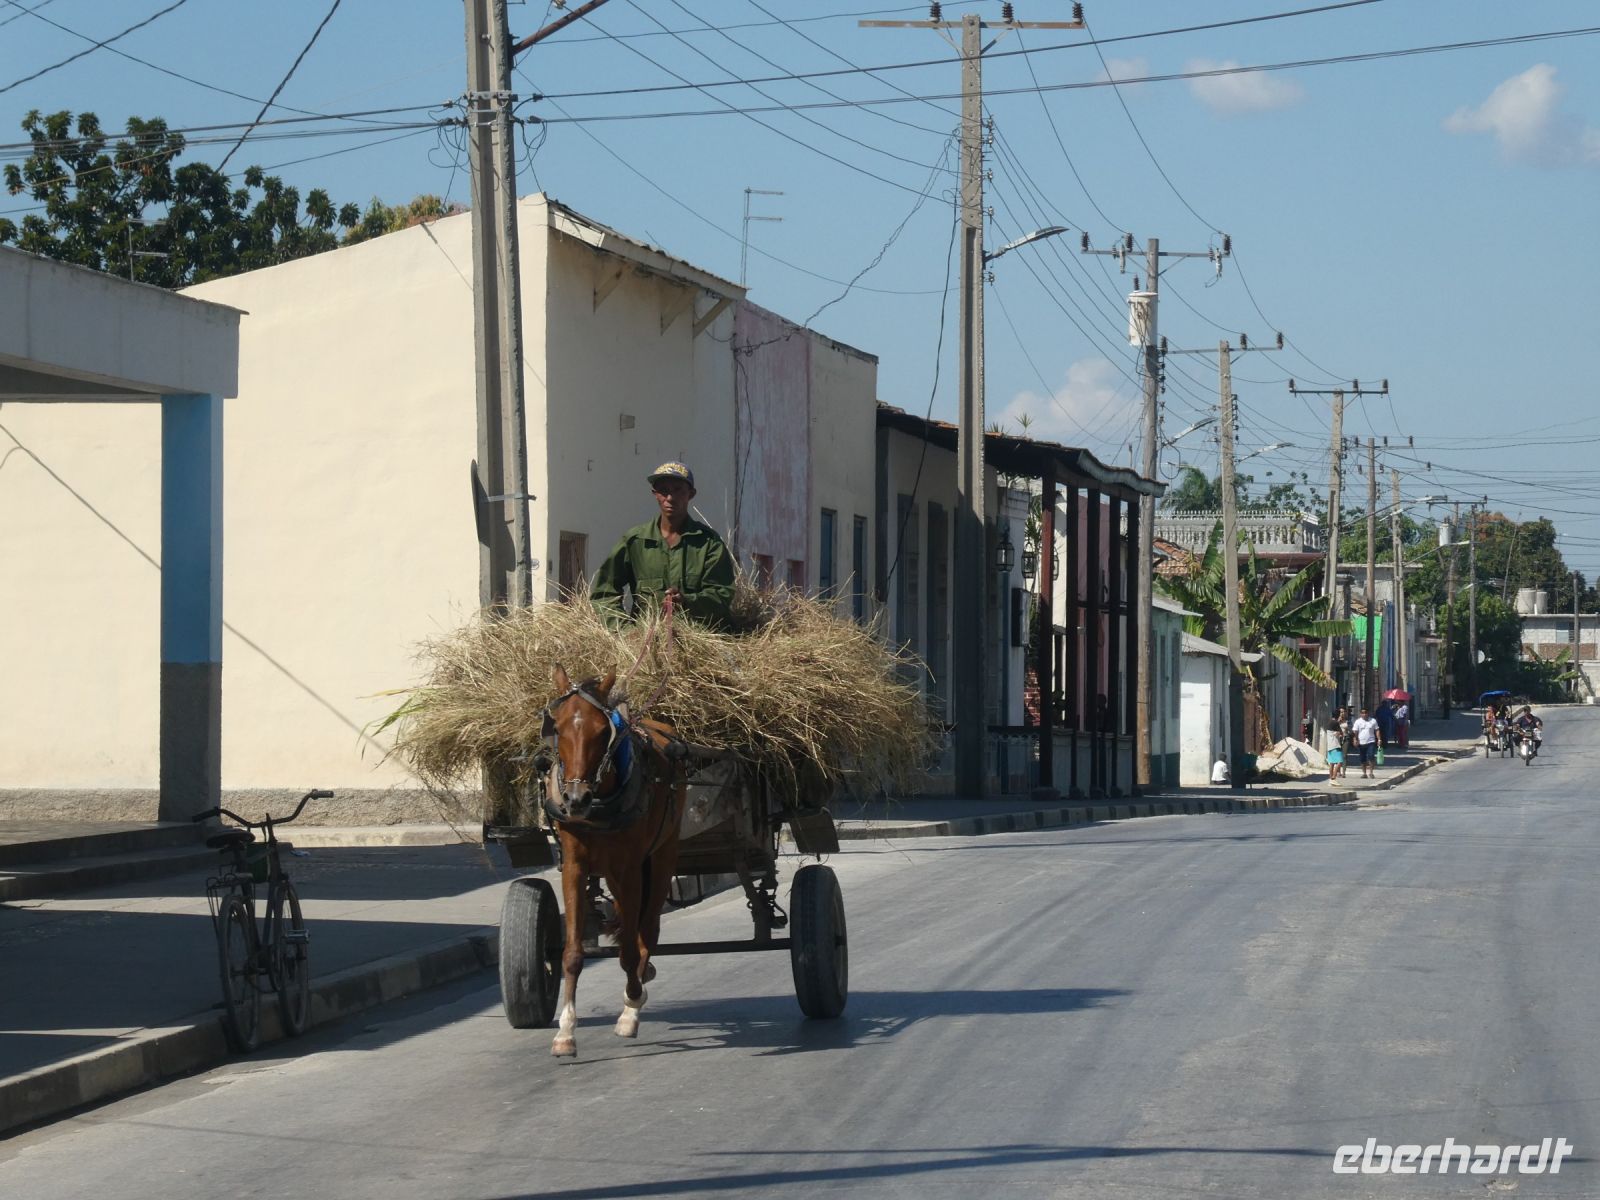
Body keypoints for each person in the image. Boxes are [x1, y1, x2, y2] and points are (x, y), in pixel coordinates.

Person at [590, 461, 736, 630]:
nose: (670, 498)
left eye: (678, 490)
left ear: (691, 494)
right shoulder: (635, 541)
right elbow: (603, 593)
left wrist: (687, 601)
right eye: (663, 490)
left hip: (698, 640)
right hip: (646, 641)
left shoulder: (709, 543)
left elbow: (722, 595)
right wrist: (625, 631)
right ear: (655, 494)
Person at [1351, 706, 1380, 778]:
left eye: (1365, 713)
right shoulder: (1358, 721)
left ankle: (1371, 772)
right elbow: (1355, 731)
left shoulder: (1373, 721)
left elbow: (1377, 730)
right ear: (1360, 714)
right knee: (1362, 758)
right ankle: (1364, 773)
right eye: (1362, 713)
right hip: (1361, 742)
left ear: (1368, 713)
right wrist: (1355, 740)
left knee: (1371, 756)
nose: (1364, 714)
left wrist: (1379, 739)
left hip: (1371, 741)